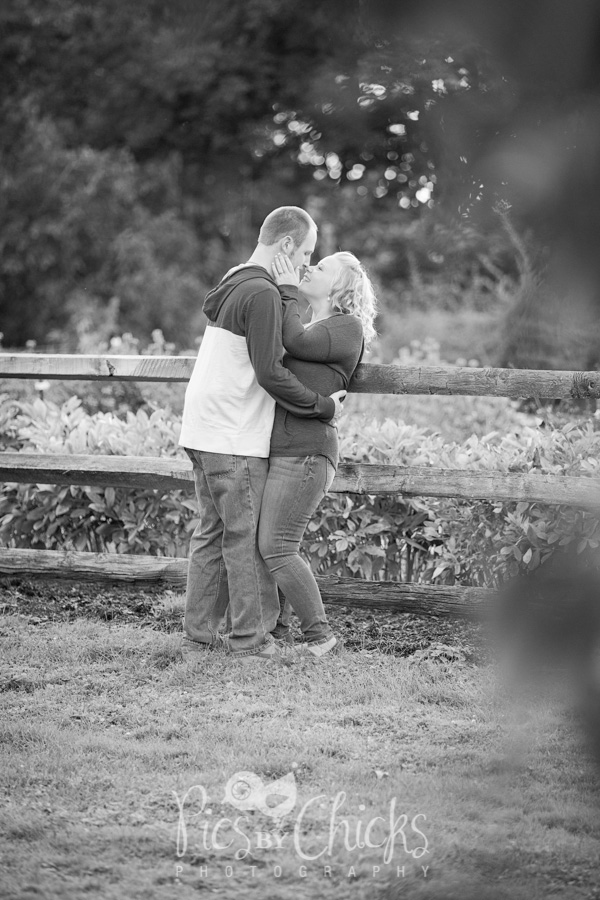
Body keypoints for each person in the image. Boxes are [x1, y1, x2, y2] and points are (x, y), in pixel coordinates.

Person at [178, 206, 346, 663]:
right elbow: (271, 372)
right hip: (233, 433)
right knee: (242, 536)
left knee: (211, 533)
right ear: (287, 246)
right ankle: (250, 640)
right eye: (306, 251)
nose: (307, 261)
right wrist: (324, 406)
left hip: (199, 426)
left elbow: (215, 313)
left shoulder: (236, 278)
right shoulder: (265, 293)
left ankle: (198, 633)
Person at [258, 250, 378, 657]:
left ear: (342, 286)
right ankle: (275, 629)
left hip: (308, 453)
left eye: (321, 267)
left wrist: (287, 288)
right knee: (275, 544)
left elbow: (294, 341)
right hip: (287, 449)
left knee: (276, 546)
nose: (311, 268)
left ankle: (320, 638)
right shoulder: (315, 323)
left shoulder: (347, 327)